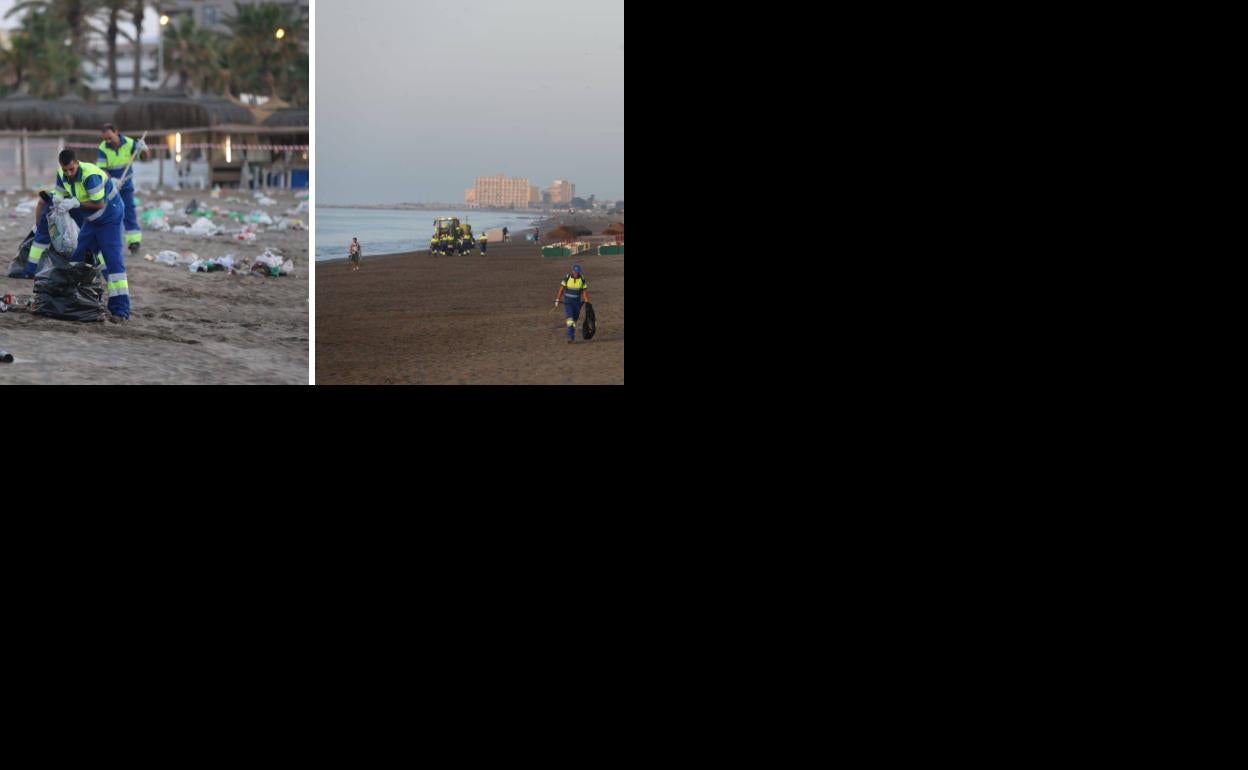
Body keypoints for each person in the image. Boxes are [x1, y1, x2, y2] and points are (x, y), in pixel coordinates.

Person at [38, 149, 130, 320]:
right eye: (65, 170)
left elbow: (99, 204)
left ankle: (120, 310)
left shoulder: (90, 176)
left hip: (110, 218)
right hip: (92, 221)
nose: (68, 173)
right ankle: (81, 301)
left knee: (113, 261)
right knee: (79, 258)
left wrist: (75, 202)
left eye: (71, 169)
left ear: (77, 163)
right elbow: (59, 193)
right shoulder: (62, 174)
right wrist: (58, 202)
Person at [97, 123, 148, 255]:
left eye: (110, 137)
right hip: (111, 186)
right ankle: (109, 242)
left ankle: (133, 242)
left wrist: (144, 150)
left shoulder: (130, 143)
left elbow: (144, 158)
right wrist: (111, 181)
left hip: (126, 184)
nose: (108, 141)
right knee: (110, 213)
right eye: (105, 139)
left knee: (129, 211)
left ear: (116, 132)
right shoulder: (103, 148)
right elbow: (102, 169)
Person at [554, 263, 590, 344]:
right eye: (575, 272)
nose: (576, 274)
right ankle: (570, 336)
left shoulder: (582, 279)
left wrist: (587, 301)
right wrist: (557, 299)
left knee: (574, 320)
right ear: (572, 271)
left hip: (577, 303)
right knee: (570, 319)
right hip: (568, 302)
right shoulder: (567, 278)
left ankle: (572, 337)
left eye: (578, 272)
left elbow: (584, 291)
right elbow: (561, 289)